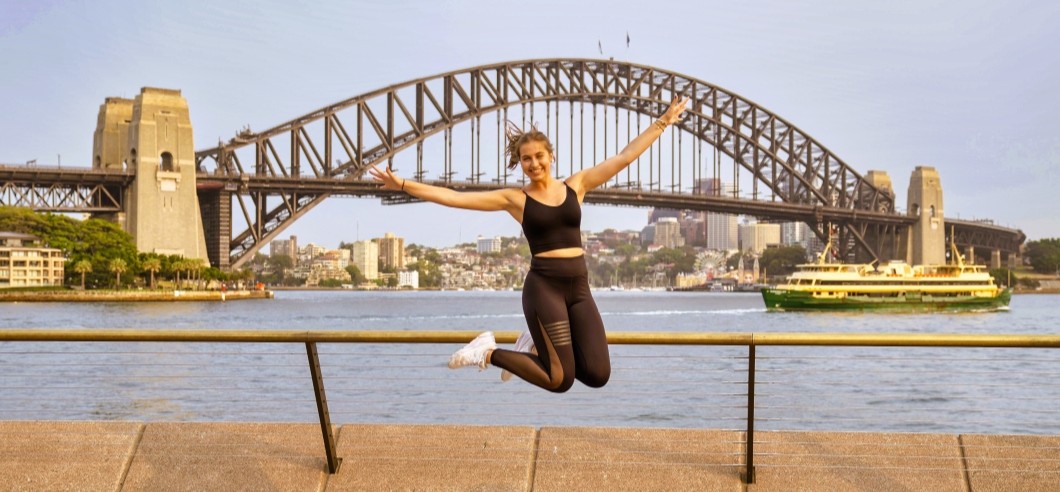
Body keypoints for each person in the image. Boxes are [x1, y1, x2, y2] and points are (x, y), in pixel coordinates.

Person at [369, 97, 689, 392]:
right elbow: (454, 198)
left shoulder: (576, 185)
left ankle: (533, 345)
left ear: (551, 156)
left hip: (578, 288)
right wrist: (403, 184)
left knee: (597, 373)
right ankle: (487, 351)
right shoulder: (516, 199)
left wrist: (662, 122)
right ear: (520, 163)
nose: (534, 164)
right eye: (526, 159)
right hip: (544, 289)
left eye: (539, 156)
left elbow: (624, 157)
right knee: (558, 380)